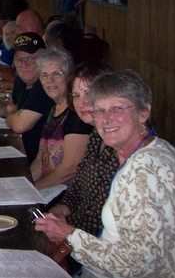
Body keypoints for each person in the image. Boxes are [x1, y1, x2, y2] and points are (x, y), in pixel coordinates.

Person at [35, 70, 175, 278]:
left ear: (143, 113)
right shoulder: (156, 147)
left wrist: (68, 235)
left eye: (117, 109)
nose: (106, 120)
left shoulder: (141, 173)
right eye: (100, 111)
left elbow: (136, 265)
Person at [49, 60, 117, 252]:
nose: (82, 102)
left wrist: (66, 229)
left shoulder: (118, 144)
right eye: (76, 95)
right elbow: (78, 187)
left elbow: (99, 217)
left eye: (89, 93)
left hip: (93, 247)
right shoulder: (96, 135)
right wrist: (60, 209)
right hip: (75, 234)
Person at [0, 32, 54, 164]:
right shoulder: (21, 81)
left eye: (31, 58)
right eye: (19, 59)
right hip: (19, 150)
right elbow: (14, 107)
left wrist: (10, 113)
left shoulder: (45, 86)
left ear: (44, 60)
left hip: (34, 161)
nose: (24, 64)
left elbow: (20, 125)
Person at [29, 47, 92, 189]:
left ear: (69, 77)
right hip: (49, 189)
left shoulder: (78, 114)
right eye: (44, 75)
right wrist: (24, 187)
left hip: (68, 197)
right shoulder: (53, 110)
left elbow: (69, 169)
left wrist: (32, 190)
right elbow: (40, 160)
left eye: (56, 74)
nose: (49, 80)